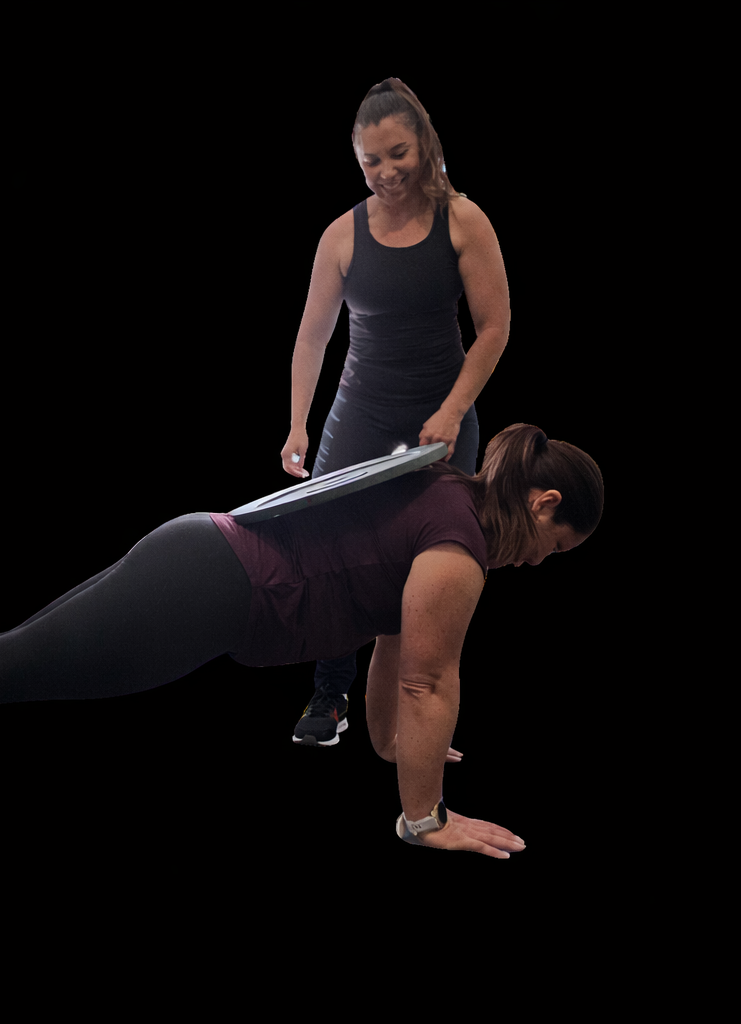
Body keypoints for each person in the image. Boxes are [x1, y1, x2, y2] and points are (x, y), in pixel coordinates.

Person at [0, 424, 602, 855]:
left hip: (205, 555)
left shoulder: (447, 494)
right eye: (554, 552)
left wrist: (395, 750)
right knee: (9, 669)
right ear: (544, 505)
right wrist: (424, 821)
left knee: (15, 649)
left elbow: (391, 659)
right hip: (213, 591)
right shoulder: (461, 553)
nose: (537, 566)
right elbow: (426, 682)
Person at [280, 78, 513, 748]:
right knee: (330, 554)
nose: (385, 172)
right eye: (370, 161)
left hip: (441, 419)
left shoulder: (464, 221)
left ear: (424, 145)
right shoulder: (341, 237)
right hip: (359, 417)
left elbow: (495, 327)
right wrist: (298, 424)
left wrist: (451, 410)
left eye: (397, 155)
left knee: (432, 565)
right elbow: (312, 336)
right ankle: (329, 696)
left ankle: (416, 710)